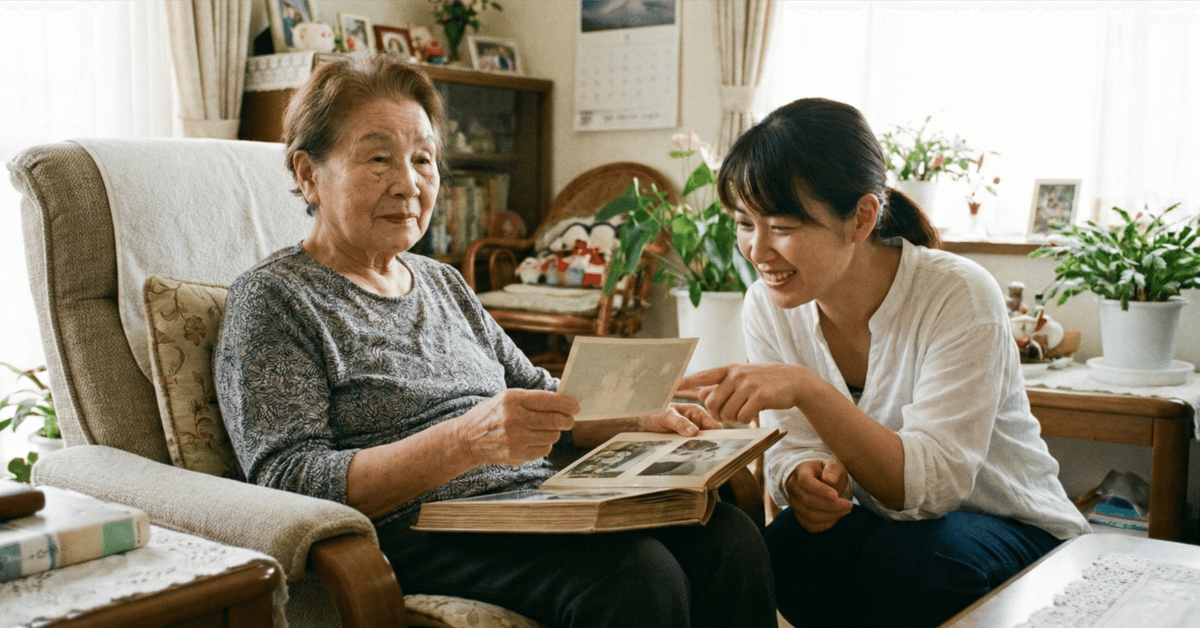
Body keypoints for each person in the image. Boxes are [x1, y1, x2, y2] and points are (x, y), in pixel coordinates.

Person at [214, 54, 775, 628]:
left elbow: (541, 394)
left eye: (423, 160)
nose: (408, 184)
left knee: (728, 537)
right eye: (379, 158)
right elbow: (286, 480)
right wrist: (464, 441)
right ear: (309, 174)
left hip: (528, 507)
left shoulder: (442, 282)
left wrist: (638, 417)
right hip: (416, 528)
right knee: (636, 576)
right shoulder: (275, 298)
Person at [679, 98, 1090, 628]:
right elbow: (794, 446)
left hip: (1005, 521)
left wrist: (807, 388)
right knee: (786, 550)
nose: (758, 251)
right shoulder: (769, 302)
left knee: (916, 562)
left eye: (781, 226)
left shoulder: (958, 293)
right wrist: (803, 479)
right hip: (884, 524)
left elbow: (933, 487)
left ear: (862, 219)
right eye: (743, 223)